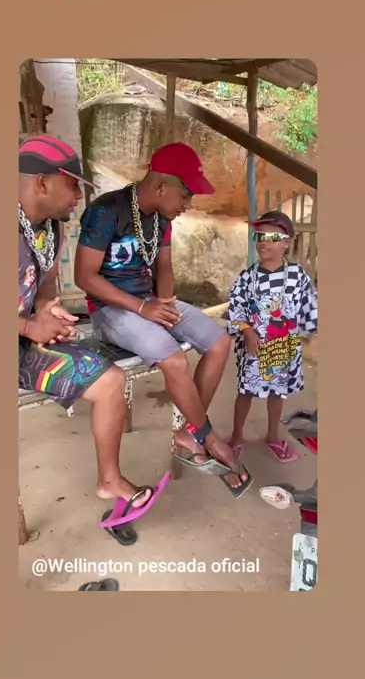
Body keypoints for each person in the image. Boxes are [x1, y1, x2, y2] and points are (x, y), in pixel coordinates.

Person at [74, 141, 251, 497]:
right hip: (110, 310)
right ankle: (208, 437)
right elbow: (84, 276)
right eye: (185, 195)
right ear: (160, 187)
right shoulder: (106, 211)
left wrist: (165, 305)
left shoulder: (162, 219)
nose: (189, 205)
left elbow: (164, 267)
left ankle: (190, 431)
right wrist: (142, 310)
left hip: (149, 303)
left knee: (218, 342)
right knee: (174, 358)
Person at [18, 134, 156, 513]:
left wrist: (46, 310)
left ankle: (109, 481)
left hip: (23, 347)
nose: (79, 196)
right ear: (42, 182)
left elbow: (46, 282)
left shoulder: (52, 227)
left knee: (111, 381)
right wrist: (29, 327)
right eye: (73, 185)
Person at [226, 210, 318, 462]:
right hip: (253, 348)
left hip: (284, 349)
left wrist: (313, 333)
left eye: (272, 237)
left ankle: (273, 435)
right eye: (259, 236)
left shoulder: (298, 276)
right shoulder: (247, 278)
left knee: (278, 392)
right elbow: (236, 307)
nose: (263, 242)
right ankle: (236, 435)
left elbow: (310, 305)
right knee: (245, 391)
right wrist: (246, 331)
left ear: (286, 242)